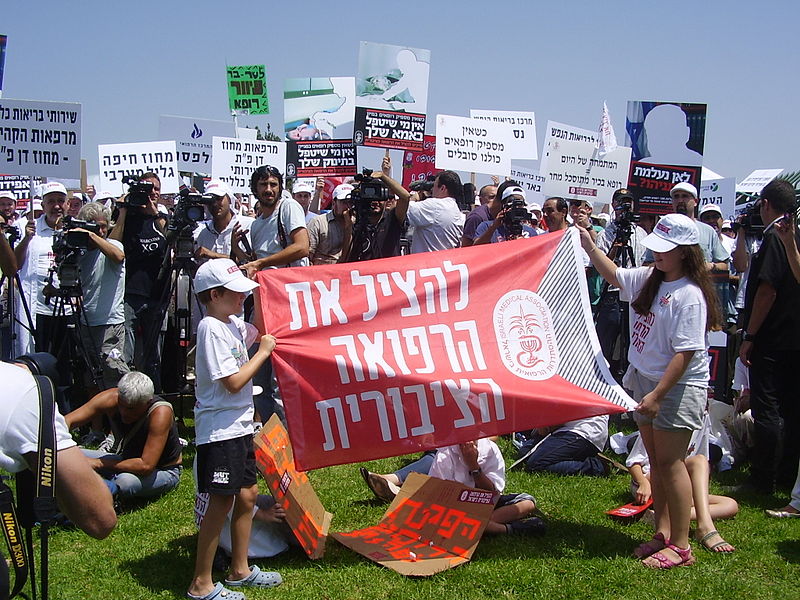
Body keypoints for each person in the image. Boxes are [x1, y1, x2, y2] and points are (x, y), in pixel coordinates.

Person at [580, 212, 722, 569]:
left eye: (666, 250)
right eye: (656, 248)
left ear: (686, 253)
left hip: (674, 387)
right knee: (657, 462)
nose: (657, 255)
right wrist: (590, 246)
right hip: (645, 379)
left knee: (672, 463)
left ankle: (681, 545)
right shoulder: (650, 278)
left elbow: (686, 352)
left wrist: (658, 394)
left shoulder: (690, 295)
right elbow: (614, 275)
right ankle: (662, 533)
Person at [187, 258, 281, 599]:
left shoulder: (229, 322)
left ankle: (239, 569)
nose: (242, 299)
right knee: (221, 501)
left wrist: (259, 287)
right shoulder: (210, 328)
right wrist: (264, 353)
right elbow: (234, 380)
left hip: (239, 426)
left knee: (247, 494)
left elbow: (255, 328)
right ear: (213, 295)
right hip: (220, 429)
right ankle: (201, 583)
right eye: (236, 294)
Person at [0, 360, 116, 539]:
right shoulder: (18, 387)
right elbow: (100, 519)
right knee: (122, 483)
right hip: (117, 464)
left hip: (131, 462)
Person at [739, 179, 800, 494]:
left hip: (773, 338)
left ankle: (763, 477)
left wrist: (750, 334)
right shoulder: (792, 237)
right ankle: (787, 476)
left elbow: (767, 290)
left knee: (768, 409)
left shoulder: (777, 238)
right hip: (792, 339)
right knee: (790, 411)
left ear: (765, 204)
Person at [64, 371, 182, 500]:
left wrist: (98, 464)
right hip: (125, 460)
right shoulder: (112, 398)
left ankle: (100, 492)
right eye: (121, 405)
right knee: (67, 455)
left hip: (161, 471)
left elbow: (146, 466)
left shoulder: (160, 412)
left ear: (147, 403)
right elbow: (67, 421)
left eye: (131, 408)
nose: (124, 412)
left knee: (125, 482)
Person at [626, 426, 738, 553]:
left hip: (678, 486)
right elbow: (633, 461)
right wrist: (642, 483)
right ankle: (705, 526)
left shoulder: (702, 423)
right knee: (698, 461)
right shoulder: (662, 421)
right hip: (649, 481)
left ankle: (667, 517)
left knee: (730, 505)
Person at [109, 172, 169, 392]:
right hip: (131, 293)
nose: (152, 192)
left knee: (154, 355)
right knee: (127, 352)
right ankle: (128, 396)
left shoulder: (162, 217)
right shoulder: (127, 215)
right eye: (147, 188)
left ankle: (154, 397)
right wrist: (123, 211)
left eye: (156, 188)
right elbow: (113, 245)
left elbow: (170, 242)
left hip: (157, 294)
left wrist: (154, 214)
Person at [428, 439, 544, 536]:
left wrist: (473, 466)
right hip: (456, 510)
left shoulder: (489, 448)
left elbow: (493, 492)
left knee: (527, 502)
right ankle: (505, 529)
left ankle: (477, 526)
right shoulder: (445, 454)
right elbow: (439, 496)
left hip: (486, 506)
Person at [74, 202, 129, 388]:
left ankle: (116, 416)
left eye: (103, 226)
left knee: (113, 374)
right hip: (86, 321)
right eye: (94, 226)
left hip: (110, 323)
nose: (100, 230)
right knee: (90, 375)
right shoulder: (80, 251)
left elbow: (118, 256)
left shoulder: (113, 244)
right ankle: (97, 416)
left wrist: (92, 234)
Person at [238, 165, 309, 276]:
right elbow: (254, 263)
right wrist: (235, 247)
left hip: (291, 285)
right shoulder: (255, 225)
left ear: (280, 188)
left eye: (273, 184)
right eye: (263, 184)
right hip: (268, 287)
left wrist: (262, 263)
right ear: (255, 188)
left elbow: (302, 247)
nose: (268, 189)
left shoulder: (288, 206)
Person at [393, 169, 465, 253]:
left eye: (434, 186)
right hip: (444, 261)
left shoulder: (435, 206)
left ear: (442, 188)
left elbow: (402, 208)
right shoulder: (456, 210)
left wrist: (415, 197)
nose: (432, 190)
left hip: (426, 263)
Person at [194, 179, 254, 265]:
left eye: (219, 198)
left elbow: (253, 262)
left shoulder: (248, 225)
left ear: (229, 199)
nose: (214, 204)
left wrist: (212, 254)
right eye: (210, 201)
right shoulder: (202, 234)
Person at [473, 184, 538, 244]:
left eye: (520, 206)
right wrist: (493, 227)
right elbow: (476, 247)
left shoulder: (531, 232)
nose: (516, 209)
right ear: (503, 205)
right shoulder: (486, 226)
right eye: (512, 206)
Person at [307, 183, 353, 264]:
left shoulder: (359, 224)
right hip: (324, 271)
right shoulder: (318, 222)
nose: (348, 206)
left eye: (351, 202)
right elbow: (308, 255)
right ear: (334, 203)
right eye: (344, 202)